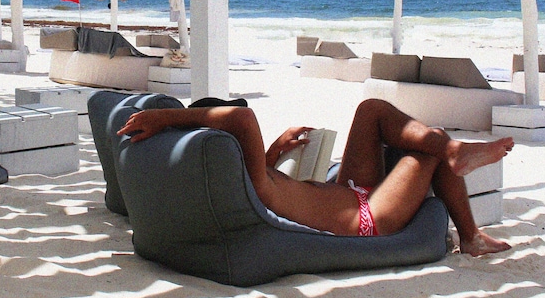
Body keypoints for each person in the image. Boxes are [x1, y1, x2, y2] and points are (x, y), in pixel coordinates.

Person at [117, 98, 513, 257]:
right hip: (369, 217)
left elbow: (262, 169)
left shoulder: (245, 180)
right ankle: (470, 234)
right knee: (430, 144)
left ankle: (453, 152)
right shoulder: (251, 182)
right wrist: (166, 117)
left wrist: (275, 150)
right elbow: (241, 118)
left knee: (371, 110)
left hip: (347, 192)